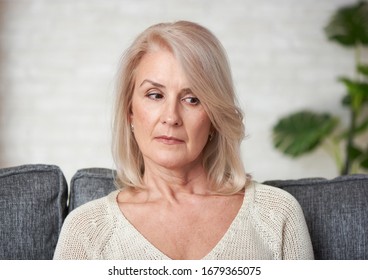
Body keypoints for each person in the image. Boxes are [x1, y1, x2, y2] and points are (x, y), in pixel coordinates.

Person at [53, 21, 314, 260]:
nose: (171, 117)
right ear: (129, 111)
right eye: (155, 95)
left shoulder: (277, 216)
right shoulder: (85, 231)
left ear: (213, 117)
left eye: (192, 99)